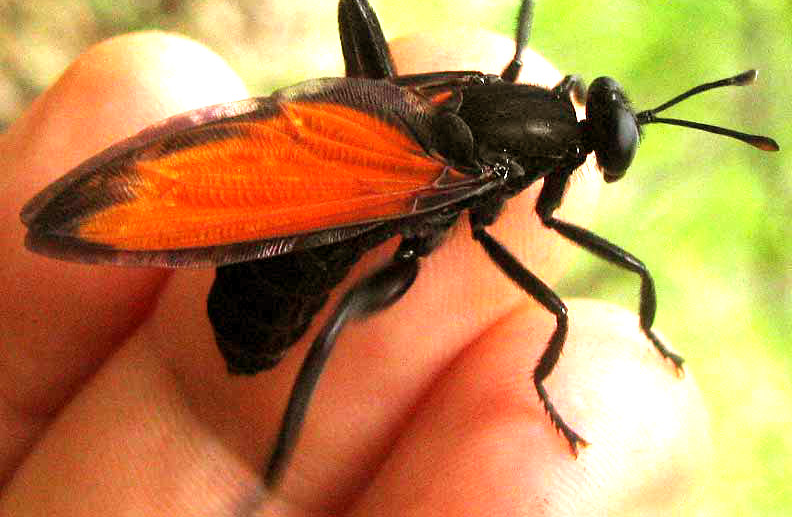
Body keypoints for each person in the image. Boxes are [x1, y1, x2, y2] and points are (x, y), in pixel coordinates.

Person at [0, 30, 710, 514]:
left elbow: (499, 93)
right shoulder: (503, 165)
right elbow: (543, 216)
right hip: (296, 261)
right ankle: (270, 478)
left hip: (363, 170)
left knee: (352, 315)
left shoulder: (505, 97)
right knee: (364, 321)